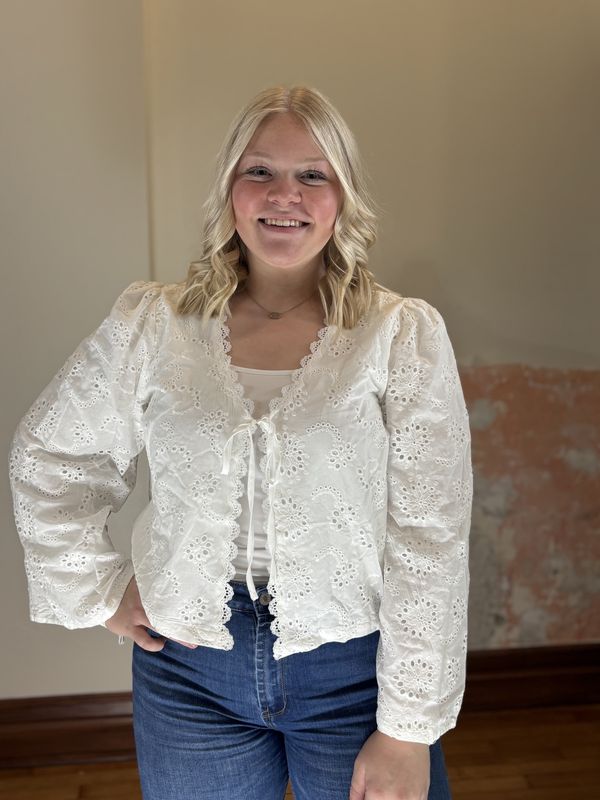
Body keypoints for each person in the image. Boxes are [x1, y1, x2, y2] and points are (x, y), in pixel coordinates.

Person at [9, 85, 473, 800]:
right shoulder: (155, 325)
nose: (283, 194)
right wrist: (99, 590)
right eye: (259, 171)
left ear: (341, 197)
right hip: (186, 666)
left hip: (352, 668)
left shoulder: (399, 336)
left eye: (312, 174)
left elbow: (430, 536)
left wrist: (409, 727)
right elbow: (52, 455)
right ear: (229, 191)